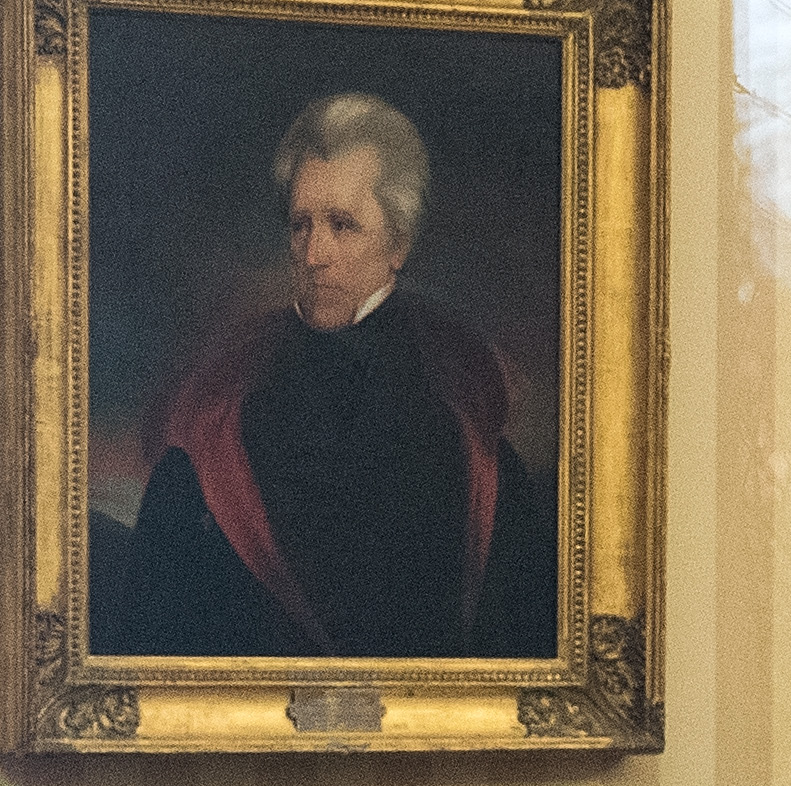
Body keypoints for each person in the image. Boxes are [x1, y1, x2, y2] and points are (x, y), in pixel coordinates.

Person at [91, 90, 560, 660]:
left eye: (342, 226)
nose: (313, 254)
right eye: (299, 226)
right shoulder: (220, 412)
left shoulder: (463, 422)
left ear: (398, 246)